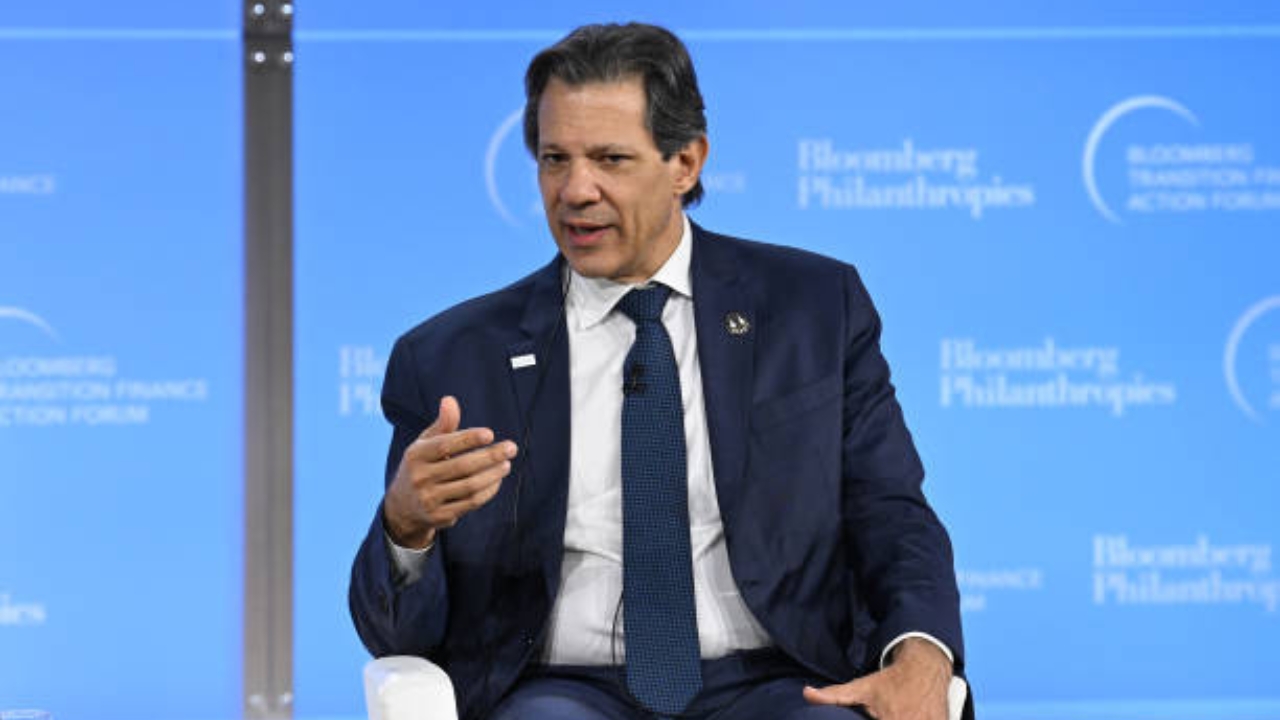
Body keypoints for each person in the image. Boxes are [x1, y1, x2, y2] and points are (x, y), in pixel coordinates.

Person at [350, 22, 965, 720]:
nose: (575, 190)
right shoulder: (451, 358)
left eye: (610, 158)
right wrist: (406, 530)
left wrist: (921, 654)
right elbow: (396, 634)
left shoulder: (814, 310)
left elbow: (891, 514)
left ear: (686, 162)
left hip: (781, 680)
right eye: (555, 159)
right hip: (560, 690)